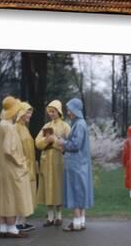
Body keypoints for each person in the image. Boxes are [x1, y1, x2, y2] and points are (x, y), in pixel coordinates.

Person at [0, 96, 34, 238]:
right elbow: (9, 150)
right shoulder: (9, 127)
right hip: (12, 168)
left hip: (4, 168)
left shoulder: (2, 124)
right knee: (12, 197)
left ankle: (3, 228)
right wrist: (22, 162)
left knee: (4, 197)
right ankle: (12, 229)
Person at [55, 98, 94, 231]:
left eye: (69, 109)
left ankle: (76, 222)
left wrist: (62, 143)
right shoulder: (79, 123)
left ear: (75, 110)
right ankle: (81, 221)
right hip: (80, 163)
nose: (68, 112)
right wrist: (65, 144)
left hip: (76, 165)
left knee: (75, 192)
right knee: (81, 192)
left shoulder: (79, 124)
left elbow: (76, 144)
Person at [35, 100, 71, 227]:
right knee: (47, 188)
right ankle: (50, 217)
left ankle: (59, 216)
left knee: (58, 187)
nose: (51, 114)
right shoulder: (46, 126)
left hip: (58, 161)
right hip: (46, 161)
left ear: (59, 111)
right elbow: (37, 143)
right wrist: (46, 140)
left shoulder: (65, 126)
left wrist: (54, 142)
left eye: (53, 111)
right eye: (49, 112)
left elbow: (69, 144)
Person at [14, 102, 37, 232]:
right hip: (22, 167)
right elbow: (15, 149)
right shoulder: (16, 128)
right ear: (21, 112)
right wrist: (21, 164)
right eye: (27, 112)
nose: (30, 115)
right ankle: (17, 223)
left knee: (27, 194)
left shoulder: (24, 128)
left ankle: (22, 222)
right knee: (21, 194)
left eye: (31, 112)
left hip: (30, 167)